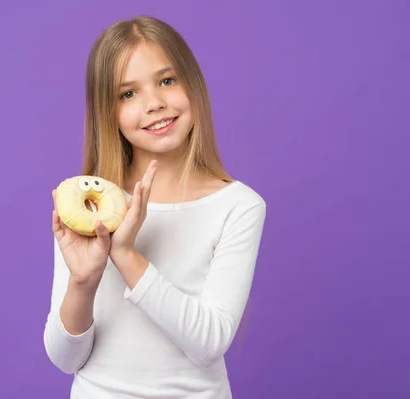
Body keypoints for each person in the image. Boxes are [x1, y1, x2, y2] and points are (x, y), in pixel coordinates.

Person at [44, 15, 267, 399]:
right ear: (107, 112)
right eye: (127, 94)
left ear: (192, 84)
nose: (155, 103)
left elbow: (209, 342)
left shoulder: (239, 206)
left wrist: (126, 253)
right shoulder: (88, 207)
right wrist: (83, 283)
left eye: (167, 80)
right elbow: (66, 359)